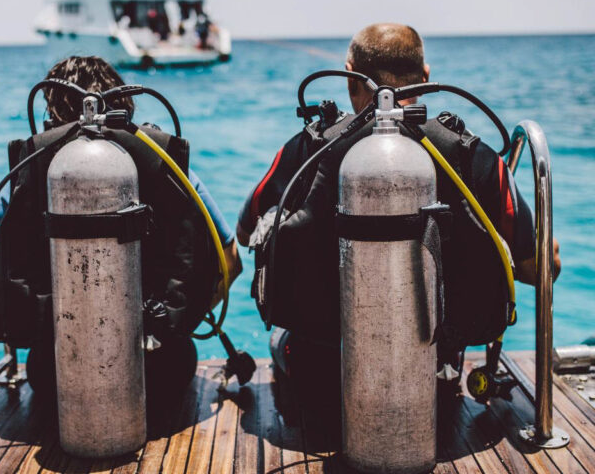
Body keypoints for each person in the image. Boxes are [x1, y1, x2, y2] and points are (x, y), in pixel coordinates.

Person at [237, 23, 560, 413]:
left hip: (321, 376)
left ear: (350, 79)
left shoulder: (309, 148)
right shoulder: (474, 157)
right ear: (424, 78)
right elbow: (538, 268)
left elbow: (244, 231)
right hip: (431, 382)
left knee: (284, 344)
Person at [0, 56, 241, 417]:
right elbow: (231, 262)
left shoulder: (30, 170)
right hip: (164, 373)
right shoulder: (164, 162)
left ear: (51, 116)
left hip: (57, 380)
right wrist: (172, 320)